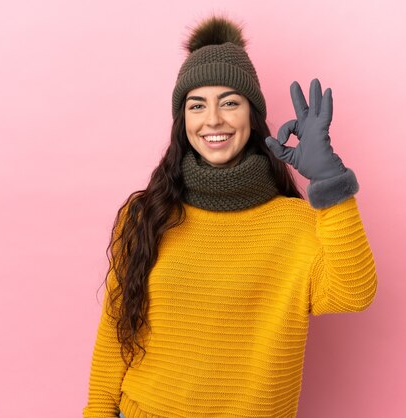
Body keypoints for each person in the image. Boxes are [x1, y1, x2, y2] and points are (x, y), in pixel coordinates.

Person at [83, 15, 378, 418]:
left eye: (230, 102)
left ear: (252, 115)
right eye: (197, 105)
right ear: (182, 119)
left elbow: (353, 293)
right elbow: (117, 331)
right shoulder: (146, 215)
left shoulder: (296, 223)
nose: (213, 120)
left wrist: (331, 183)